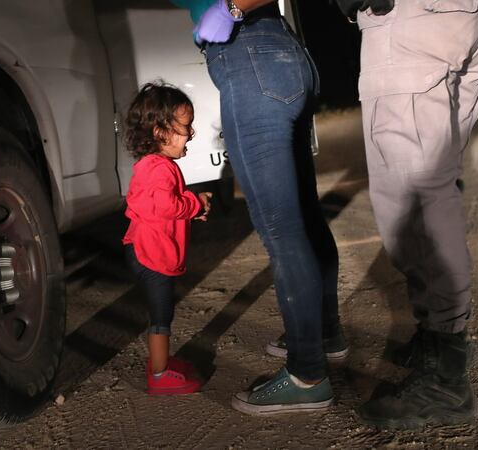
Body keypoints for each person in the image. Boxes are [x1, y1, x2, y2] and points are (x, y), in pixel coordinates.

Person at [332, 0, 478, 428]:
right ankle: (442, 339)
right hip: (466, 15)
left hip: (415, 20)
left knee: (414, 202)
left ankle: (446, 377)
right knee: (435, 187)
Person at [172, 0, 346, 415]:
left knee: (281, 230)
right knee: (302, 216)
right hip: (279, 53)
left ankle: (307, 374)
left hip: (250, 54)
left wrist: (232, 8)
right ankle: (323, 333)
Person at [122, 82, 213, 395]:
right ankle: (159, 375)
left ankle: (161, 363)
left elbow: (162, 204)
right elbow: (164, 206)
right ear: (160, 132)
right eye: (185, 127)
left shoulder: (154, 166)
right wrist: (194, 204)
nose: (190, 133)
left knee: (160, 312)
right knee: (161, 315)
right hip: (151, 254)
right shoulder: (158, 168)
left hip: (144, 249)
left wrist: (190, 206)